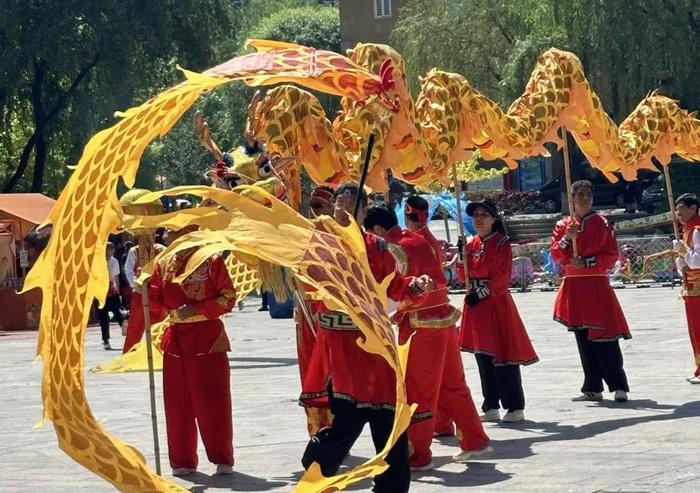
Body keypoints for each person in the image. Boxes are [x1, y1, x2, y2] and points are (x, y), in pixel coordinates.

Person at [301, 183, 432, 493]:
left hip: (377, 340)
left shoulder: (378, 246)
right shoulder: (323, 246)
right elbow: (313, 284)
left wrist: (414, 286)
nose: (343, 211)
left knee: (387, 413)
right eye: (339, 205)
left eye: (350, 206)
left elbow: (395, 286)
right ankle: (320, 459)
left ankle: (391, 486)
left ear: (362, 212)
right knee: (351, 411)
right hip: (344, 342)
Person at [364, 205, 491, 471]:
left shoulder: (393, 248)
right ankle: (476, 440)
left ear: (377, 230)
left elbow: (392, 292)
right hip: (443, 319)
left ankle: (418, 453)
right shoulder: (421, 238)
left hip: (420, 324)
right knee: (453, 384)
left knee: (418, 390)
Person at [149, 225, 237, 476]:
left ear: (186, 232)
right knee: (177, 404)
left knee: (213, 401)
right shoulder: (163, 262)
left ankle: (222, 457)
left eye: (171, 231)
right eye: (167, 231)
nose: (166, 236)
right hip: (175, 340)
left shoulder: (212, 260)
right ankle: (182, 459)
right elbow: (155, 304)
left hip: (208, 339)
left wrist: (198, 310)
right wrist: (143, 291)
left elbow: (228, 297)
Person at [456, 200, 538, 422]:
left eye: (484, 214)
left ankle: (514, 406)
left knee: (503, 353)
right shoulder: (470, 244)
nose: (479, 219)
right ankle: (490, 404)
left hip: (495, 303)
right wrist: (461, 255)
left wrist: (480, 293)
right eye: (475, 215)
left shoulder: (502, 244)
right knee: (482, 355)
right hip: (475, 306)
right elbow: (462, 276)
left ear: (493, 219)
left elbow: (502, 279)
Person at [551, 180, 631, 402]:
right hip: (574, 286)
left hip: (596, 283)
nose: (584, 198)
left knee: (606, 335)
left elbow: (610, 255)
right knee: (583, 337)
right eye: (579, 194)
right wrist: (568, 238)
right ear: (572, 197)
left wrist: (587, 262)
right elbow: (557, 255)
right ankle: (592, 386)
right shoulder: (562, 225)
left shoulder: (603, 223)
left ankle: (618, 384)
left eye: (588, 193)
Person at [296, 185, 336, 435]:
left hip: (330, 311)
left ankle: (337, 427)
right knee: (309, 368)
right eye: (312, 206)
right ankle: (317, 428)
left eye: (319, 206)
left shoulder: (340, 236)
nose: (314, 211)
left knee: (332, 371)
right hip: (304, 311)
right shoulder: (303, 234)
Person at [673, 193, 700, 384]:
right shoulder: (687, 230)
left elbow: (697, 261)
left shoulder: (697, 230)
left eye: (681, 207)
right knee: (695, 331)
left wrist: (683, 251)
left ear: (693, 208)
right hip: (691, 289)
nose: (677, 212)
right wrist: (681, 260)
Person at [96, 242, 124, 350]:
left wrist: (118, 289)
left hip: (112, 288)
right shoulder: (98, 261)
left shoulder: (114, 261)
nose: (111, 251)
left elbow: (116, 276)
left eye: (112, 249)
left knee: (117, 312)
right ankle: (105, 340)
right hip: (101, 289)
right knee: (103, 316)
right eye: (109, 249)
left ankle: (127, 331)